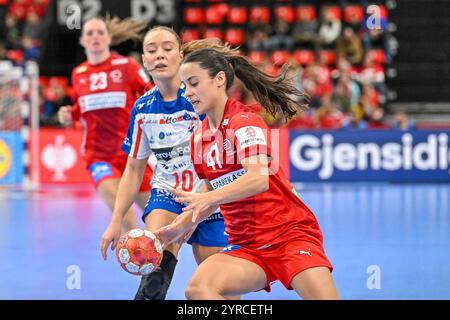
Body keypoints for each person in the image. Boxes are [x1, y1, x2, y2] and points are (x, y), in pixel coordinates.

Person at [155, 45, 339, 300]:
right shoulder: (199, 139)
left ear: (220, 79)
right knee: (199, 289)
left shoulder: (244, 122)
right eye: (185, 85)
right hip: (248, 248)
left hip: (289, 236)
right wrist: (180, 226)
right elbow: (210, 189)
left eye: (194, 83)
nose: (188, 92)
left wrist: (209, 198)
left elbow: (257, 179)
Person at [99, 27, 231, 300]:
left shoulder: (199, 99)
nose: (160, 55)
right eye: (151, 50)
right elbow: (134, 169)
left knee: (218, 287)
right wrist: (115, 221)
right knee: (155, 258)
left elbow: (221, 160)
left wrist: (196, 213)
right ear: (144, 60)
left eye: (168, 48)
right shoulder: (143, 108)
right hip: (167, 193)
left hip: (211, 194)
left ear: (181, 56)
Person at [57, 16, 153, 231]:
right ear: (82, 41)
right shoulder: (78, 73)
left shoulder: (127, 66)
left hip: (133, 154)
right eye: (90, 33)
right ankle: (137, 263)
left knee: (158, 216)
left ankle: (161, 262)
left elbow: (152, 93)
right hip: (99, 157)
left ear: (109, 38)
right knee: (124, 213)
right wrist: (68, 114)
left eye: (100, 32)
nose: (95, 37)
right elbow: (81, 109)